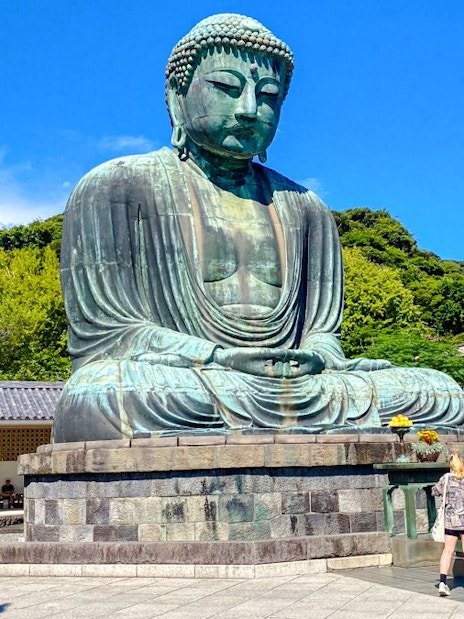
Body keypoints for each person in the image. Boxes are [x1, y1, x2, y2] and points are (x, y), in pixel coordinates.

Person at [53, 13, 464, 442]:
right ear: (177, 96)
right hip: (190, 380)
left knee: (439, 392)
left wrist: (318, 357)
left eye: (267, 95)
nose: (249, 109)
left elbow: (322, 333)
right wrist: (217, 357)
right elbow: (110, 336)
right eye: (227, 88)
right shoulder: (115, 187)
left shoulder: (306, 208)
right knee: (97, 394)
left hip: (298, 387)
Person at [432, 453, 464, 596]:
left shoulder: (446, 478)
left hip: (450, 521)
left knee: (447, 551)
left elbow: (435, 491)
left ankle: (443, 583)